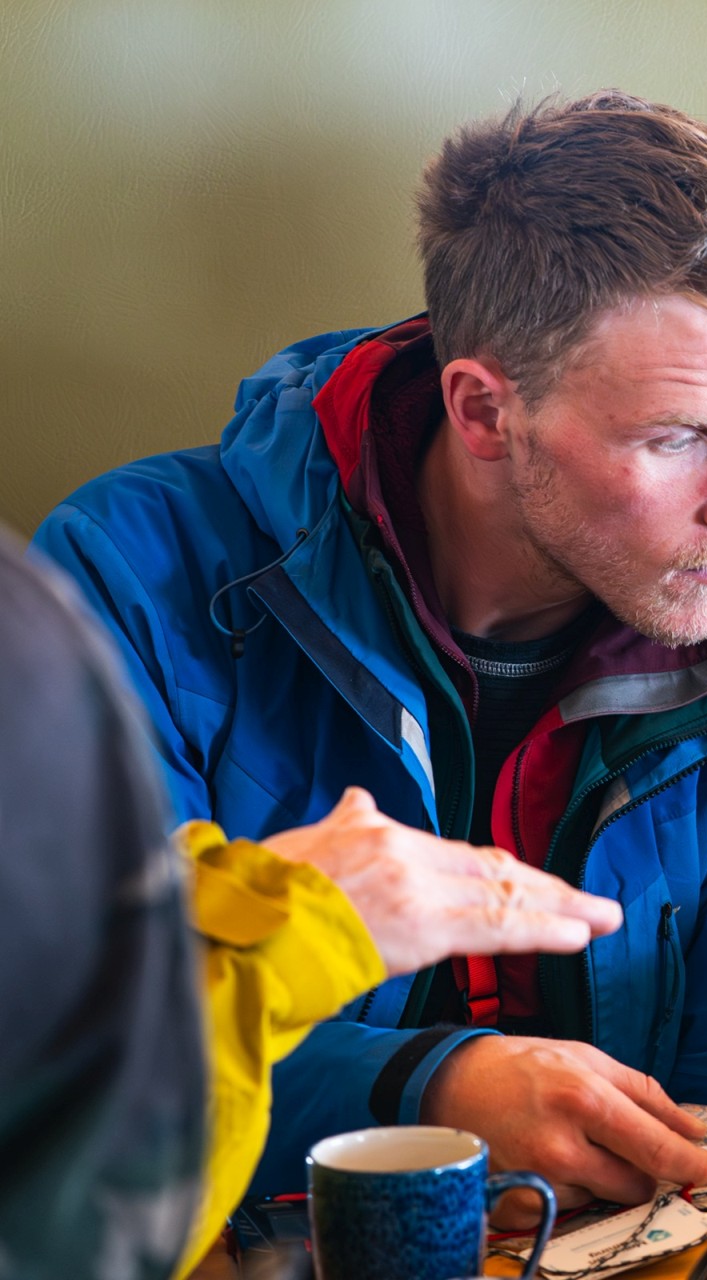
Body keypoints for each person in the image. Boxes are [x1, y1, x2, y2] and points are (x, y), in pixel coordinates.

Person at [31, 89, 707, 1222]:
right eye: (680, 438)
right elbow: (61, 1050)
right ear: (484, 412)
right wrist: (429, 1093)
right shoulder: (126, 584)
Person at [0, 532, 623, 1278]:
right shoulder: (113, 571)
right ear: (482, 411)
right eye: (673, 437)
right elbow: (67, 1199)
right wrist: (420, 1078)